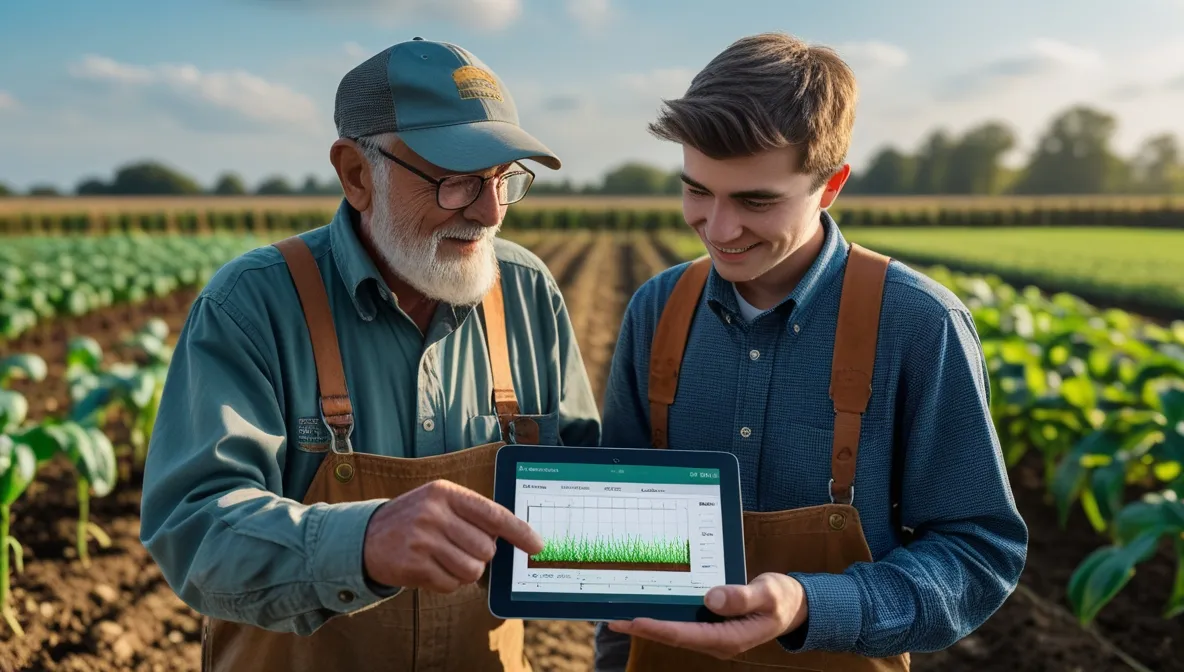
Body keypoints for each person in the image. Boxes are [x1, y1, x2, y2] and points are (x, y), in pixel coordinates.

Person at [139, 38, 601, 672]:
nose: (491, 211)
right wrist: (362, 542)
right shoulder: (253, 304)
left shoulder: (526, 291)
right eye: (457, 182)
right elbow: (194, 530)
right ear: (356, 173)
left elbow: (582, 489)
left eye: (502, 180)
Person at [593, 32, 1028, 671]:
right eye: (697, 190)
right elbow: (621, 545)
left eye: (755, 201)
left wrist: (812, 604)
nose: (718, 229)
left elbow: (979, 550)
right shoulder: (657, 309)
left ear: (831, 185)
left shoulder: (918, 324)